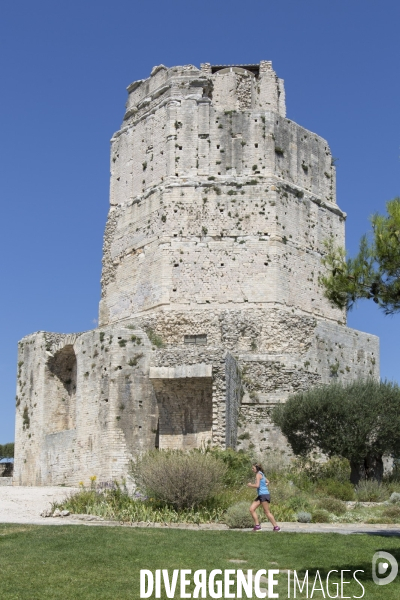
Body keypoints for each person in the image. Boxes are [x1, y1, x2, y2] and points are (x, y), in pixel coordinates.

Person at [248, 463, 280, 532]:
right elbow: (268, 482)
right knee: (251, 509)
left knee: (267, 512)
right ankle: (257, 526)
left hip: (264, 495)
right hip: (261, 495)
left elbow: (257, 485)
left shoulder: (258, 474)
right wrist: (264, 486)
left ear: (256, 468)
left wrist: (250, 485)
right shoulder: (261, 474)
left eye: (253, 468)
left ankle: (276, 527)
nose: (252, 469)